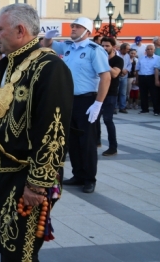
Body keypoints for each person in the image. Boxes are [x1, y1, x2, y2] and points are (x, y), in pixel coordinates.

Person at [0, 4, 73, 262]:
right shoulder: (6, 65)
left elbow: (53, 131)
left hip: (28, 179)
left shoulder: (49, 67)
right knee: (7, 244)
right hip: (3, 169)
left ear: (20, 30)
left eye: (0, 29)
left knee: (20, 251)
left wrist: (38, 184)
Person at [42, 17, 110, 194]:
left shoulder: (95, 50)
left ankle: (89, 178)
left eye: (77, 27)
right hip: (68, 99)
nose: (73, 29)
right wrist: (48, 37)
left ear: (87, 32)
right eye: (72, 26)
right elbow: (46, 45)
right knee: (71, 140)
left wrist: (98, 103)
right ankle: (78, 174)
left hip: (87, 100)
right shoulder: (67, 46)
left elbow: (106, 77)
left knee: (87, 141)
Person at [100, 37, 123, 156]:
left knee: (108, 120)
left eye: (107, 46)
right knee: (92, 120)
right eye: (102, 45)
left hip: (111, 93)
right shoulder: (98, 57)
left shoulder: (118, 60)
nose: (104, 48)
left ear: (113, 47)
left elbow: (114, 74)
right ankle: (96, 142)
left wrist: (103, 62)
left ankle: (113, 147)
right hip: (97, 92)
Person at [135, 44, 160, 115]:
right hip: (142, 77)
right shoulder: (141, 58)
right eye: (148, 49)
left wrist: (157, 79)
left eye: (151, 49)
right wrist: (137, 79)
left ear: (154, 50)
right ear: (145, 50)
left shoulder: (158, 58)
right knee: (143, 94)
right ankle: (145, 109)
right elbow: (137, 69)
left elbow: (157, 69)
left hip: (152, 77)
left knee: (154, 94)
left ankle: (156, 110)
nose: (149, 50)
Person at [118, 43, 131, 113]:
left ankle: (122, 107)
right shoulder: (117, 54)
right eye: (127, 49)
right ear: (122, 48)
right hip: (117, 75)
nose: (128, 50)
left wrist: (127, 70)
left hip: (124, 76)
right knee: (116, 92)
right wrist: (121, 70)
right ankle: (114, 107)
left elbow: (129, 64)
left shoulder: (128, 56)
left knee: (123, 93)